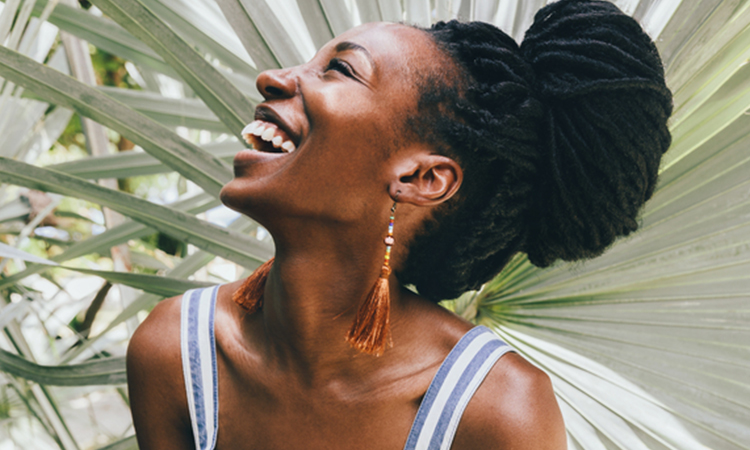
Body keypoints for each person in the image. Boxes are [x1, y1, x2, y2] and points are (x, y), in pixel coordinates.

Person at [126, 0, 672, 448]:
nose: (272, 78)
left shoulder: (496, 412)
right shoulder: (174, 352)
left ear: (422, 177)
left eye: (339, 69)